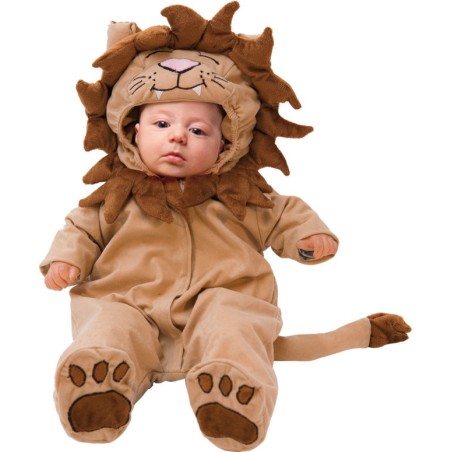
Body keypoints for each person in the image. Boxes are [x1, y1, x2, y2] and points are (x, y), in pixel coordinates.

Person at [40, 5, 410, 451]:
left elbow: (283, 213)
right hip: (129, 301)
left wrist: (306, 237)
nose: (178, 136)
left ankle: (232, 390)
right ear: (132, 131)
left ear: (227, 143)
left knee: (232, 319)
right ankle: (99, 383)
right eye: (161, 123)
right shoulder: (115, 200)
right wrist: (66, 259)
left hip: (220, 304)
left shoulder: (241, 196)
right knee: (110, 322)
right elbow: (79, 229)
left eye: (198, 130)